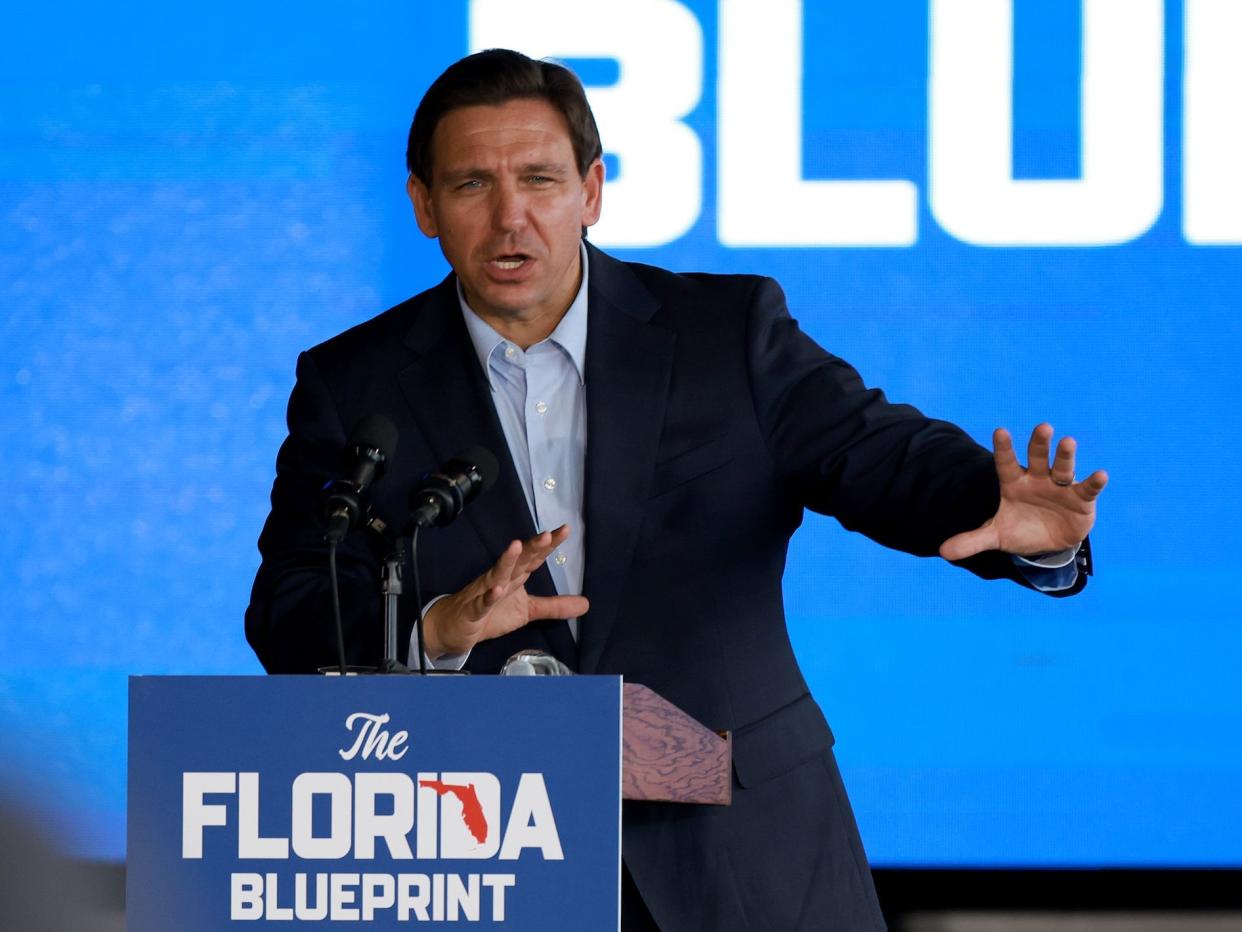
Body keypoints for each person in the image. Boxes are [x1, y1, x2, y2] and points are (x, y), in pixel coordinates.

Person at [246, 49, 1106, 931]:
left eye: (539, 180)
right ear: (424, 205)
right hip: (488, 866)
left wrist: (1008, 521)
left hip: (745, 851)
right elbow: (290, 608)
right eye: (472, 185)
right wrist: (436, 630)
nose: (512, 218)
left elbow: (873, 451)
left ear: (592, 189)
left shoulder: (723, 334)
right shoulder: (356, 383)